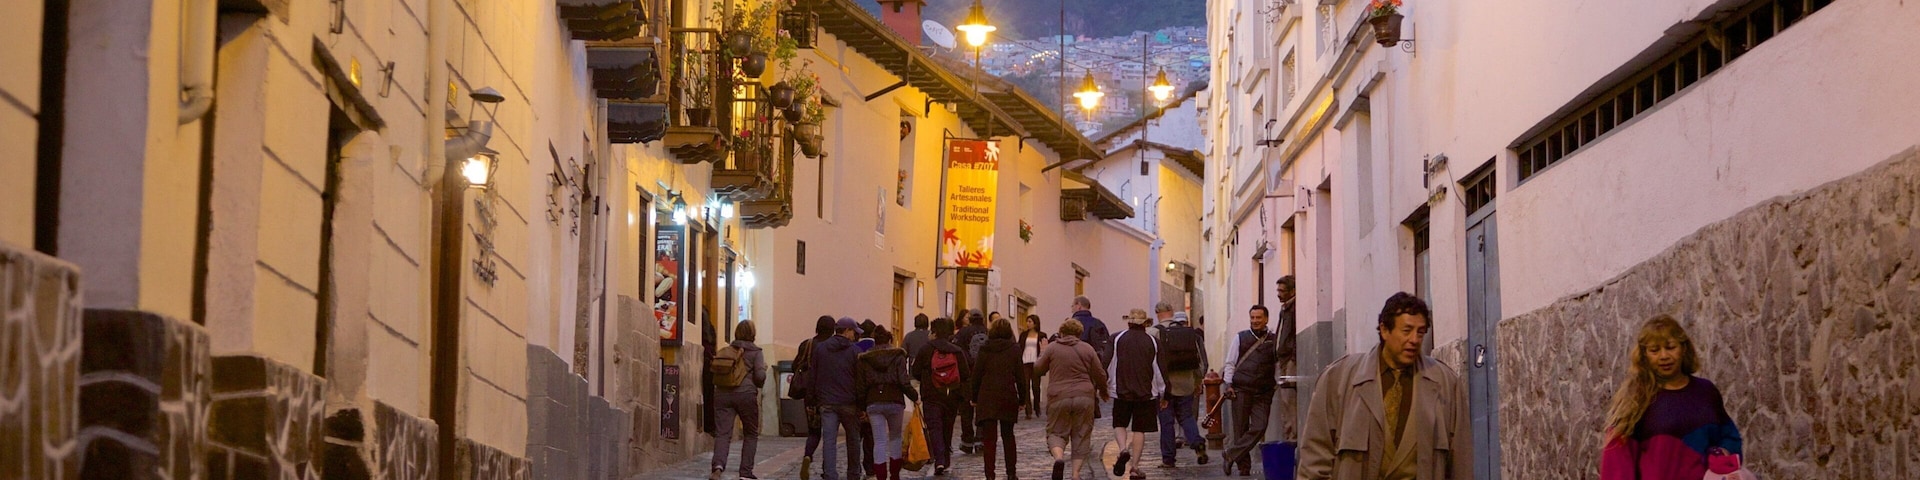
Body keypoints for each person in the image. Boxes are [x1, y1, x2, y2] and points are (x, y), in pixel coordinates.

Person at [1298, 293, 1472, 479]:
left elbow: (1461, 459)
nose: (1414, 340)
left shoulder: (1445, 383)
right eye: (1406, 331)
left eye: (1420, 333)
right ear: (1384, 330)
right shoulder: (1339, 378)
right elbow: (1315, 455)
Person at [1600, 315, 1746, 480]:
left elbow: (1729, 437)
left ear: (1683, 348)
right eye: (1654, 350)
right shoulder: (1635, 399)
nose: (1664, 356)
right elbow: (1617, 466)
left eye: (1670, 347)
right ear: (1644, 355)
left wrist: (1723, 453)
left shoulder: (1706, 392)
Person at [1036, 319, 1108, 480]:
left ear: (1061, 332)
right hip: (1084, 397)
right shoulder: (1087, 349)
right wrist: (1103, 391)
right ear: (1079, 333)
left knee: (1055, 432)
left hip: (1058, 397)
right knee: (1081, 434)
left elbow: (1038, 369)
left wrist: (1043, 352)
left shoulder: (1052, 348)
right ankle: (1075, 474)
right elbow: (1099, 373)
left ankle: (1059, 458)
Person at [968, 318, 1029, 480]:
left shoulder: (985, 349)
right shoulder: (1014, 349)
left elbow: (977, 376)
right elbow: (1020, 377)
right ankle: (1011, 472)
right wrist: (1023, 399)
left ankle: (990, 474)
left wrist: (974, 398)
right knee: (1008, 436)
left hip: (987, 396)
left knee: (989, 440)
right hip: (1007, 395)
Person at [910, 318, 972, 476]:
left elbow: (915, 371)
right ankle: (946, 459)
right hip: (952, 394)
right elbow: (965, 374)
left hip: (931, 394)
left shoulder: (926, 349)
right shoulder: (957, 350)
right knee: (947, 426)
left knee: (934, 428)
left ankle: (939, 460)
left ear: (934, 332)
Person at [1220, 305, 1278, 476]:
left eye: (1258, 318)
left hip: (1263, 391)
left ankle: (1230, 454)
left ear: (1266, 319)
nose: (1255, 321)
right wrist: (1228, 384)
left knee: (1260, 426)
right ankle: (1243, 468)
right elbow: (1230, 362)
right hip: (1241, 389)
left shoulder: (1273, 340)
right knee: (1241, 429)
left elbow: (1277, 364)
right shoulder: (1240, 338)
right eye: (1252, 318)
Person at [1107, 309, 1164, 480]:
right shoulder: (1153, 342)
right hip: (1145, 392)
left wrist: (1105, 386)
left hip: (1121, 390)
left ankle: (1123, 449)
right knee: (1140, 429)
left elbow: (1107, 362)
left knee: (1119, 423)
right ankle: (1135, 467)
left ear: (1129, 322)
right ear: (1145, 323)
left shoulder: (1117, 338)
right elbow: (1159, 369)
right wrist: (1163, 392)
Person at [857, 326, 919, 480]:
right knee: (895, 437)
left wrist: (861, 407)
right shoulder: (898, 356)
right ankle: (895, 474)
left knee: (879, 440)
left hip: (873, 401)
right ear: (890, 340)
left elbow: (861, 386)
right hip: (894, 400)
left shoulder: (865, 359)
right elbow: (903, 381)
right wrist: (914, 396)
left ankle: (880, 476)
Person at [1151, 307, 1208, 468]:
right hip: (1186, 383)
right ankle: (1197, 442)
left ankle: (1168, 459)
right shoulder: (1190, 335)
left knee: (1167, 422)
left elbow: (1152, 362)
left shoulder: (1156, 333)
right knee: (1186, 416)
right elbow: (1199, 362)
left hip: (1165, 386)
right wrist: (1197, 382)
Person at [813, 317, 869, 480]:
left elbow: (814, 375)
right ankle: (853, 473)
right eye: (853, 332)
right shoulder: (855, 351)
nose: (854, 336)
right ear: (846, 331)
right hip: (849, 402)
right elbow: (860, 380)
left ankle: (830, 474)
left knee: (829, 441)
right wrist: (862, 404)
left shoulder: (821, 349)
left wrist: (814, 399)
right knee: (853, 439)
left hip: (827, 402)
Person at [712, 321, 768, 479]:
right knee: (751, 433)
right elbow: (759, 377)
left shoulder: (726, 350)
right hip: (746, 395)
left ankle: (718, 466)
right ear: (753, 333)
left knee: (722, 433)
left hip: (722, 394)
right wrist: (763, 371)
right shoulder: (756, 352)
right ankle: (745, 472)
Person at [797, 315, 836, 480]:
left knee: (813, 432)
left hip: (810, 395)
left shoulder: (808, 344)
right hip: (828, 395)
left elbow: (795, 365)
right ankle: (827, 469)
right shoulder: (832, 346)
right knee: (829, 433)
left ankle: (808, 455)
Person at [953, 310, 989, 454]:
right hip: (984, 376)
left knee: (966, 409)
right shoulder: (988, 332)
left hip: (967, 375)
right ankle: (980, 439)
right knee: (982, 408)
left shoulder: (963, 332)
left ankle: (967, 440)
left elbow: (957, 350)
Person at [1272, 276, 1300, 441]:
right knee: (1285, 402)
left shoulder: (1293, 309)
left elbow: (1294, 334)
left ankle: (1292, 438)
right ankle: (1289, 436)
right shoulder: (1285, 309)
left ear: (1292, 291)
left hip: (1289, 361)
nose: (1279, 294)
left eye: (1282, 291)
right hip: (1283, 360)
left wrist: (1293, 359)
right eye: (1278, 291)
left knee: (1289, 402)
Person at [1069, 296, 1113, 370]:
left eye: (1072, 306)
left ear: (1078, 305)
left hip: (1073, 365)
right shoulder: (1099, 324)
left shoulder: (1070, 324)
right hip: (1094, 366)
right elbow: (1104, 347)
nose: (1071, 310)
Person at [1019, 314, 1049, 419]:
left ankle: (1037, 408)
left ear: (1035, 323)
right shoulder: (1023, 335)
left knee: (1036, 386)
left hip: (1036, 362)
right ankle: (1028, 410)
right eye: (1027, 321)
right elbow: (1020, 348)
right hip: (1025, 361)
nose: (1028, 324)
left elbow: (1045, 349)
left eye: (1030, 321)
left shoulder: (1042, 335)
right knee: (1025, 385)